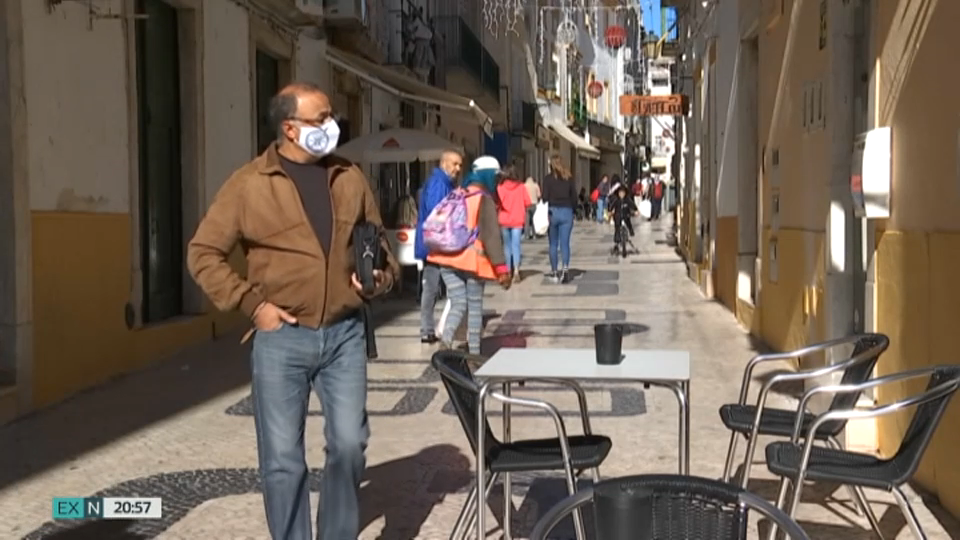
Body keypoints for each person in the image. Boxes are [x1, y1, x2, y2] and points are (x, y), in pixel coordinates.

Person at [186, 82, 400, 540]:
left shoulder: (349, 177)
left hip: (343, 335)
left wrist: (380, 277)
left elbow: (378, 244)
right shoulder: (248, 185)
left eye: (331, 116)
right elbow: (203, 253)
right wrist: (251, 304)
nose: (332, 125)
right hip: (282, 337)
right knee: (283, 460)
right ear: (289, 128)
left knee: (349, 446)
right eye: (320, 118)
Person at [428, 156, 511, 354]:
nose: (497, 181)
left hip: (447, 260)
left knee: (458, 302)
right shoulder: (484, 198)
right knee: (474, 307)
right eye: (496, 177)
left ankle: (446, 340)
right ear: (488, 175)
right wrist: (501, 268)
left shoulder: (457, 194)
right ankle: (474, 353)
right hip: (472, 263)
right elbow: (491, 235)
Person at [415, 150, 462, 344]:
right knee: (434, 288)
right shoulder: (438, 184)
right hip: (436, 246)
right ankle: (428, 330)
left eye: (460, 165)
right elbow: (437, 215)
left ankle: (433, 329)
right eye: (454, 164)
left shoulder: (444, 183)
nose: (458, 169)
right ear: (444, 164)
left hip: (438, 245)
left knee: (436, 288)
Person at [542, 154, 578, 283]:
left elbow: (545, 197)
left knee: (553, 244)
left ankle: (554, 272)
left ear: (551, 165)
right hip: (567, 212)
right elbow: (574, 196)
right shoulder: (568, 178)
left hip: (553, 212)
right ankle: (566, 269)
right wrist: (574, 210)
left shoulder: (548, 179)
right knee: (565, 243)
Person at [497, 164, 532, 283]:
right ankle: (516, 270)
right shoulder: (521, 187)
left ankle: (508, 270)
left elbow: (496, 204)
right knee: (516, 245)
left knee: (507, 246)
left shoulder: (500, 187)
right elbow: (528, 202)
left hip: (504, 220)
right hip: (517, 220)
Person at [610, 184, 638, 255]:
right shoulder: (616, 200)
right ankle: (617, 240)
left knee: (628, 223)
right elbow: (611, 207)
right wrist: (610, 211)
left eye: (623, 193)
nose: (621, 194)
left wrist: (636, 210)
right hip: (618, 216)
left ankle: (631, 231)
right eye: (620, 193)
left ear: (625, 193)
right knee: (617, 227)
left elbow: (632, 205)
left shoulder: (627, 200)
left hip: (626, 215)